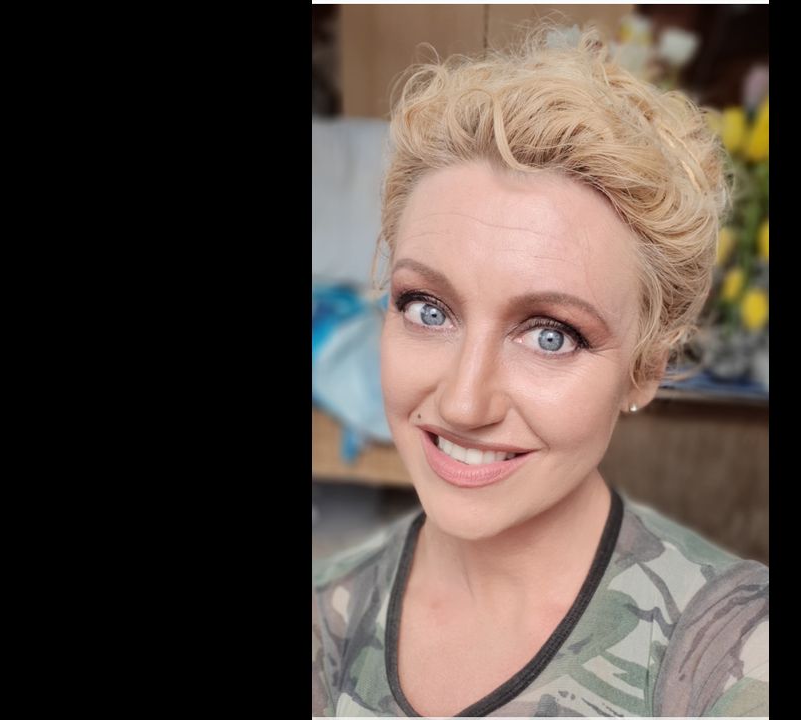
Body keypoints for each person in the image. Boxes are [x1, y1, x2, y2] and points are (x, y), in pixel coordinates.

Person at [313, 26, 768, 717]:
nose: (464, 404)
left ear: (645, 369)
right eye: (428, 309)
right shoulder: (326, 620)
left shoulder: (729, 657)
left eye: (550, 336)